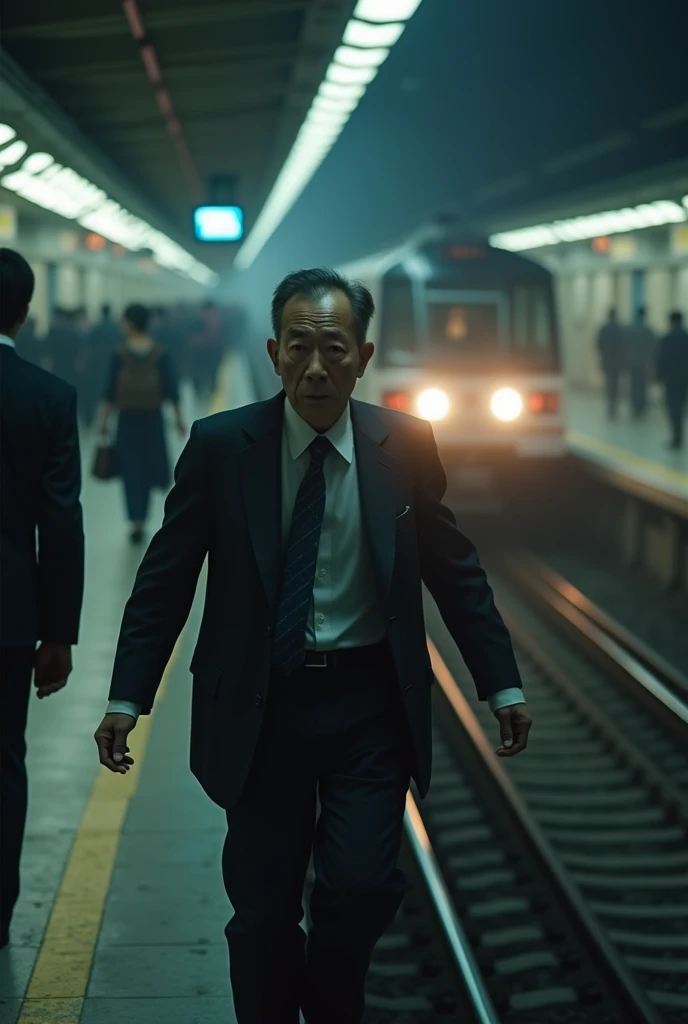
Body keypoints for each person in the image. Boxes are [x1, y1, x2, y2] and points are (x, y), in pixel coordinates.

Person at [94, 268, 532, 1023]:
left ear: (364, 357)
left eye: (334, 348)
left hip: (367, 707)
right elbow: (165, 581)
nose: (316, 367)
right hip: (263, 711)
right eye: (300, 347)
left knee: (360, 886)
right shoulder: (222, 447)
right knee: (262, 914)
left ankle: (332, 1003)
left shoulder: (404, 445)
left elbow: (454, 572)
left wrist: (503, 684)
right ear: (273, 353)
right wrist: (128, 696)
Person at [0, 249, 85, 949]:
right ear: (24, 314)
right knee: (2, 762)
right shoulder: (48, 398)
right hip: (7, 619)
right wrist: (58, 632)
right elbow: (59, 521)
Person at [96, 303, 186, 544]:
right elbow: (172, 390)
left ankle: (135, 519)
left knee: (130, 469)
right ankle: (143, 516)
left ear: (131, 323)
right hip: (153, 419)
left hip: (127, 420)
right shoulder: (160, 353)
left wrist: (103, 420)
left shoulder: (119, 353)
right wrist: (179, 420)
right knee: (148, 467)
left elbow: (109, 391)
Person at [656, 311, 688, 450]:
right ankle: (679, 436)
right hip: (684, 378)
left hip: (671, 379)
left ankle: (677, 437)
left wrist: (658, 376)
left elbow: (661, 359)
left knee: (672, 407)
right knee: (681, 406)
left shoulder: (667, 339)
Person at [625, 306, 655, 419]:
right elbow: (653, 347)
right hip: (643, 362)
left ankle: (634, 405)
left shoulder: (629, 329)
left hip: (632, 362)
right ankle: (641, 406)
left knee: (633, 385)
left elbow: (625, 345)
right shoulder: (648, 330)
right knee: (642, 385)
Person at [596, 308, 626, 419]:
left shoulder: (604, 329)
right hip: (617, 362)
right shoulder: (620, 329)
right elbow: (624, 346)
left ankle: (610, 406)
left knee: (609, 383)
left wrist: (603, 354)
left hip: (607, 360)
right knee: (615, 384)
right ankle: (614, 406)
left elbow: (599, 344)